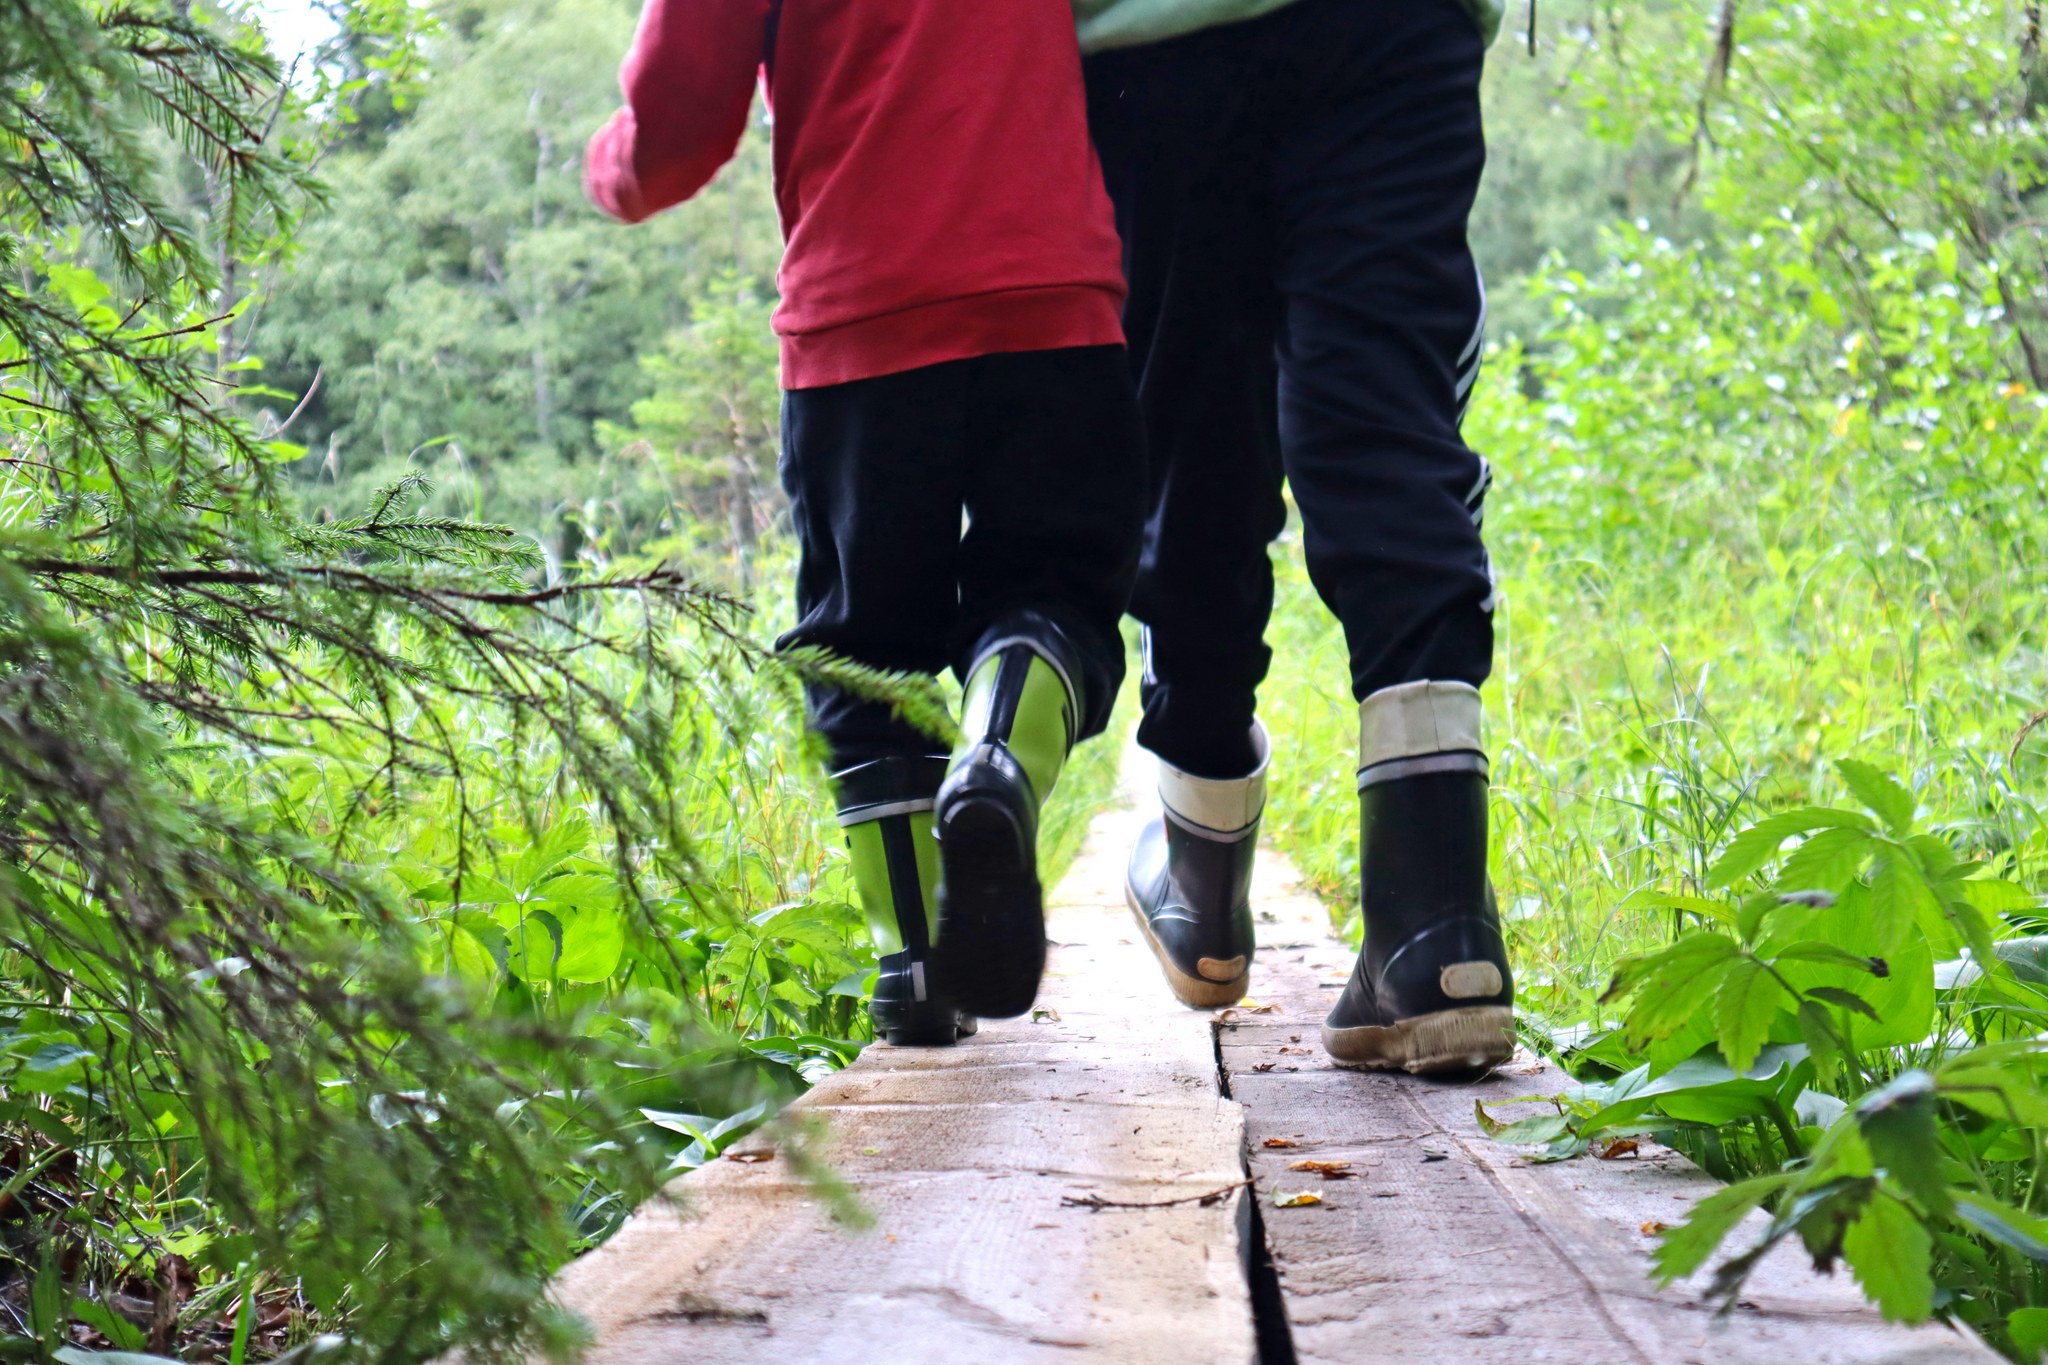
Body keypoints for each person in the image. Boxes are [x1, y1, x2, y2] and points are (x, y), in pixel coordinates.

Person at [587, 0, 1144, 1043]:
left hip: (862, 314)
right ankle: (998, 765)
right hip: (1051, 289)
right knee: (1053, 592)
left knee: (862, 646)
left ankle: (917, 968)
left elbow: (678, 112)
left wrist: (612, 166)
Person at [1077, 0, 1517, 1072]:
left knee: (1186, 436)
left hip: (1156, 40)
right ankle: (1435, 928)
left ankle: (1200, 877)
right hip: (1394, 33)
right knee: (1384, 420)